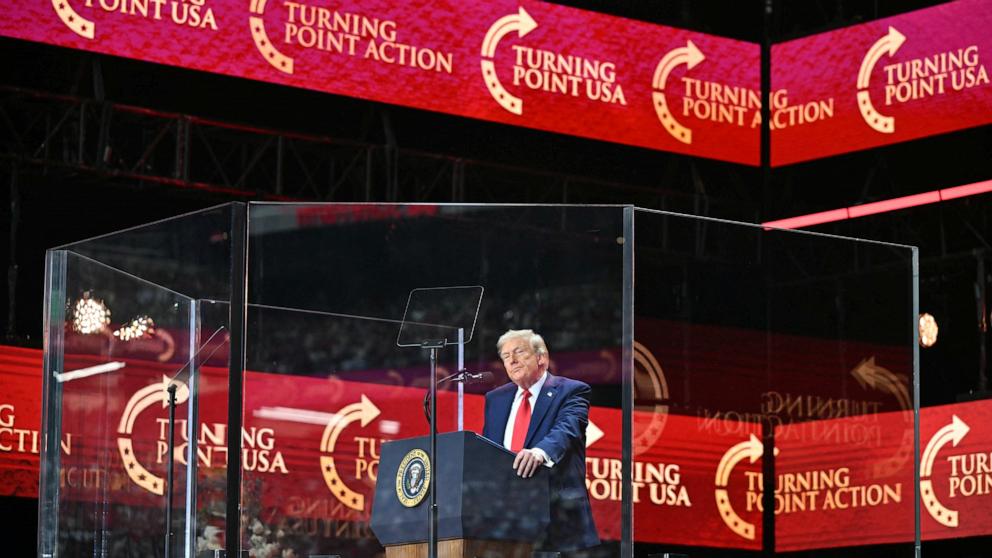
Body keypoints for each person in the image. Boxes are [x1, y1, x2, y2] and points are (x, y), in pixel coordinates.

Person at [482, 329, 599, 552]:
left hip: (555, 515)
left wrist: (539, 452)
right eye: (506, 356)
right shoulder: (496, 399)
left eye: (519, 352)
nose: (512, 360)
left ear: (541, 357)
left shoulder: (571, 391)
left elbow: (567, 429)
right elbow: (488, 449)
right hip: (504, 519)